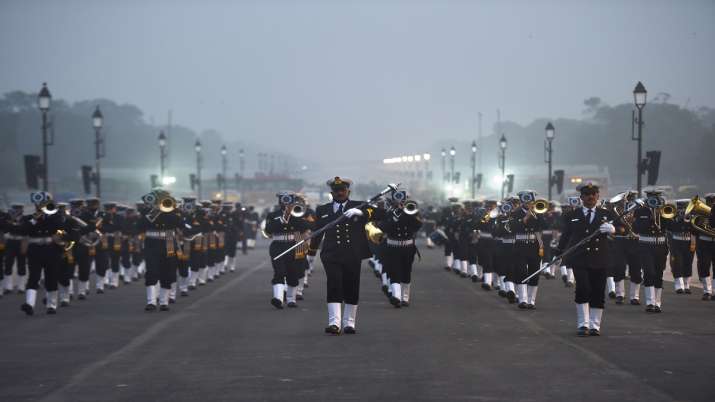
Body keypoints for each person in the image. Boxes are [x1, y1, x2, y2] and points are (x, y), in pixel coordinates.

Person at [308, 177, 379, 335]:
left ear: (348, 191)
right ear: (331, 192)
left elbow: (380, 213)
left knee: (351, 286)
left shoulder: (359, 206)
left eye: (343, 190)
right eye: (336, 190)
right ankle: (334, 323)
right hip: (331, 254)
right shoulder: (322, 210)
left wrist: (361, 212)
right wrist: (311, 254)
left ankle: (349, 323)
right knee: (334, 284)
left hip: (352, 253)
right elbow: (317, 233)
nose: (339, 193)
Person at [555, 183, 620, 336]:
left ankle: (595, 325)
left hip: (600, 257)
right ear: (581, 197)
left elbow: (623, 229)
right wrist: (558, 253)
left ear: (598, 196)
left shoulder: (607, 214)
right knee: (583, 288)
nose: (590, 197)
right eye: (587, 194)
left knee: (598, 291)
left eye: (594, 194)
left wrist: (613, 230)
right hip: (580, 258)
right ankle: (583, 324)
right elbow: (565, 236)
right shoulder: (572, 215)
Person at [265, 192, 311, 309]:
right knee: (279, 272)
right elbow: (268, 230)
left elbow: (305, 227)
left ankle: (291, 299)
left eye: (288, 200)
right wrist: (283, 218)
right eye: (283, 200)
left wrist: (293, 216)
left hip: (293, 245)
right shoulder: (272, 215)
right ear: (279, 201)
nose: (285, 202)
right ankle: (279, 299)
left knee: (293, 273)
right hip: (278, 246)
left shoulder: (297, 213)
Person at [377, 190, 422, 307]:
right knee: (394, 272)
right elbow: (382, 227)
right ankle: (396, 297)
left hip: (407, 247)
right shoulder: (388, 213)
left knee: (406, 272)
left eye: (403, 200)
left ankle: (405, 297)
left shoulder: (411, 212)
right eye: (398, 201)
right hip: (392, 247)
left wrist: (407, 214)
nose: (400, 203)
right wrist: (394, 219)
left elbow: (418, 226)